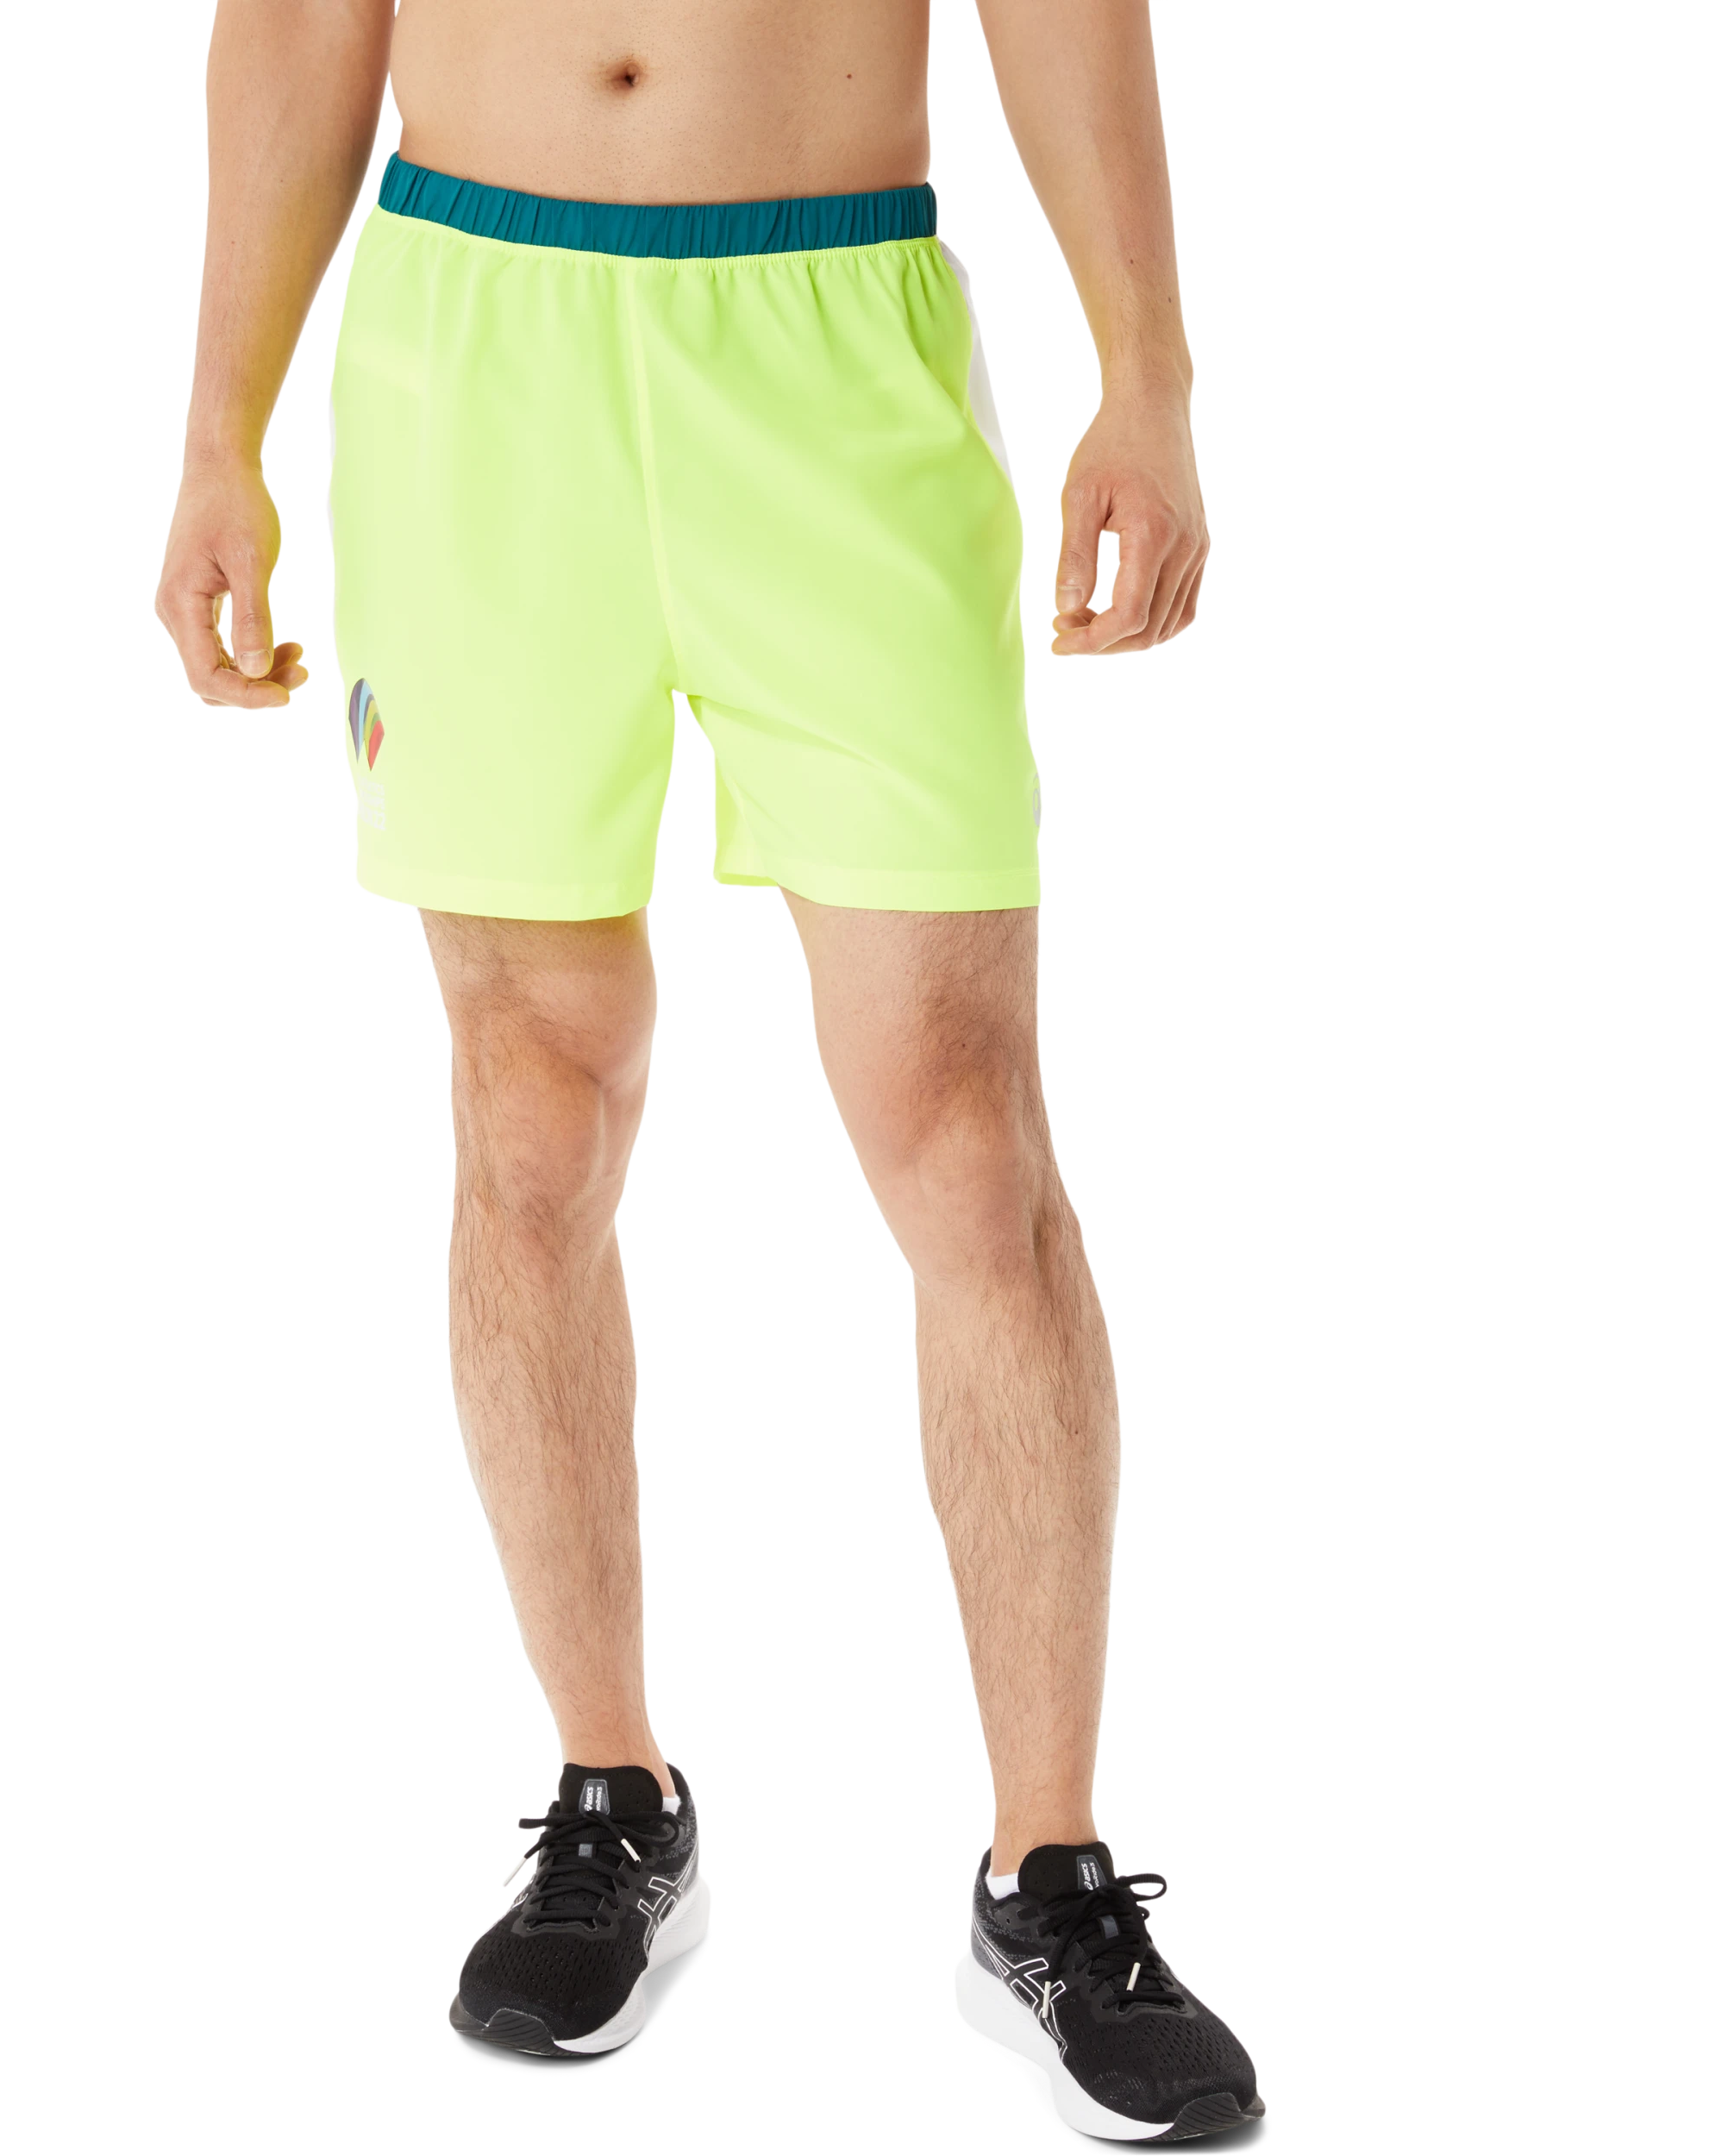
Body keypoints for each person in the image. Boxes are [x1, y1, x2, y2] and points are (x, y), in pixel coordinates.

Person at [156, 2, 1253, 2134]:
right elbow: (299, 9)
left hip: (826, 328)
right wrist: (219, 425)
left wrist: (1143, 372)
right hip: (475, 338)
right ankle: (606, 1790)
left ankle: (1045, 1868)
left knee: (958, 1121)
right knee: (527, 1100)